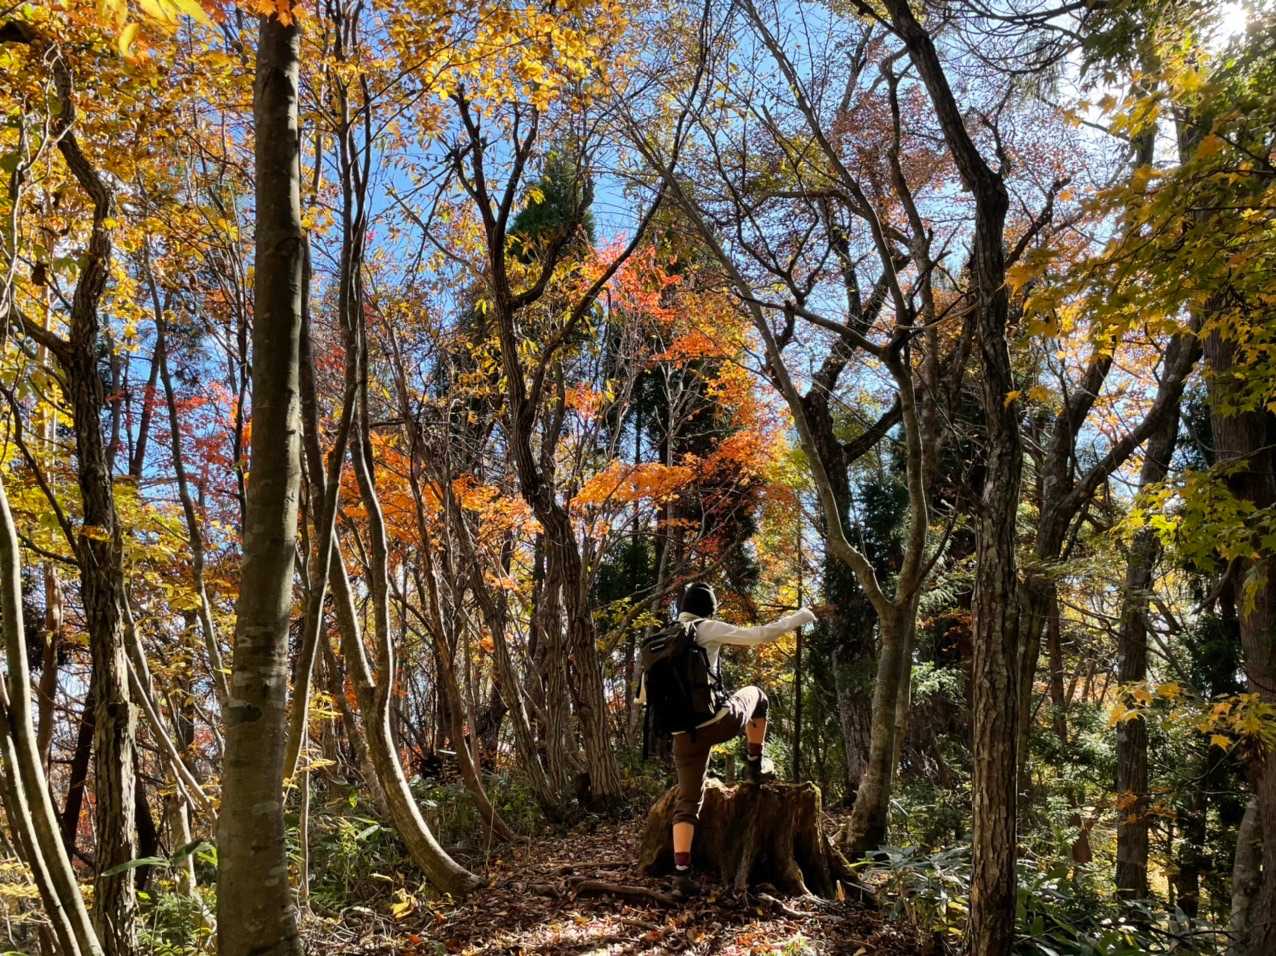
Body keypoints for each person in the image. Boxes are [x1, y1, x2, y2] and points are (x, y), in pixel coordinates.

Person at [663, 582, 817, 874]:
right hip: (717, 722)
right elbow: (758, 635)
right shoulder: (705, 628)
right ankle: (754, 765)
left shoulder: (663, 638)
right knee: (758, 696)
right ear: (708, 609)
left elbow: (645, 696)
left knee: (688, 802)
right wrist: (798, 617)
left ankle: (681, 876)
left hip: (682, 734)